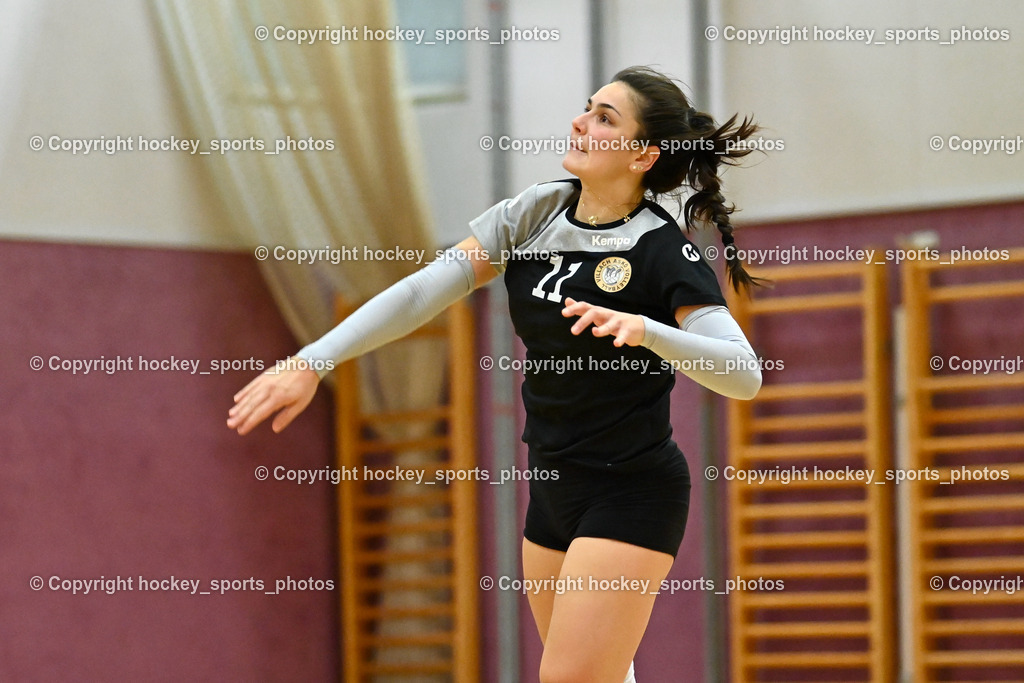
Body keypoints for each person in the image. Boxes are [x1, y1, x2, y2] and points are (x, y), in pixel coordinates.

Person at [228, 65, 764, 683]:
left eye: (604, 118)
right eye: (587, 107)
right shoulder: (533, 213)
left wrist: (648, 331)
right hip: (553, 490)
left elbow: (743, 374)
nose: (580, 122)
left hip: (632, 492)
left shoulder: (663, 249)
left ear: (643, 154)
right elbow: (422, 291)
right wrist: (310, 360)